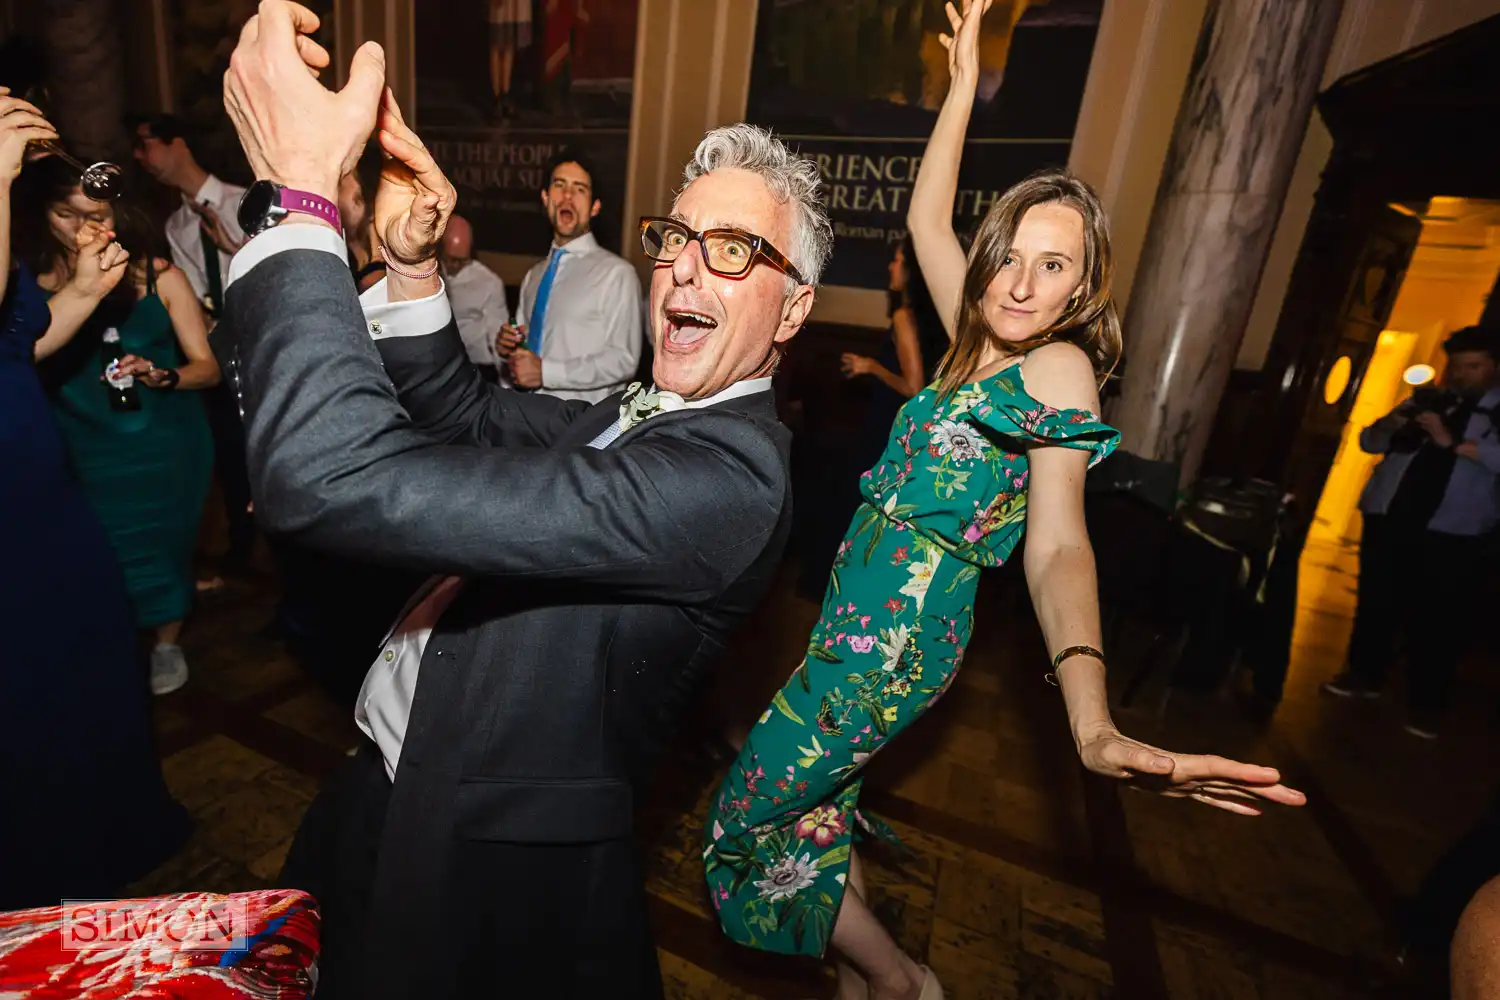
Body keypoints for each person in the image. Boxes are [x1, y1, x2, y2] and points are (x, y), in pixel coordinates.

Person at [701, 5, 1306, 999]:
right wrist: (963, 78)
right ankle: (864, 986)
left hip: (896, 639)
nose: (1021, 282)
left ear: (1080, 291)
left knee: (747, 811)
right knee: (817, 806)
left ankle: (901, 981)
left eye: (1053, 265)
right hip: (849, 623)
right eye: (1011, 255)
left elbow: (1061, 546)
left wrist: (1093, 718)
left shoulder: (1060, 370)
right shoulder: (972, 344)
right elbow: (927, 220)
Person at [218, 5, 820, 996]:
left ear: (792, 308)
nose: (682, 265)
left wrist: (300, 206)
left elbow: (327, 470)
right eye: (676, 237)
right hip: (386, 776)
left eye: (735, 251)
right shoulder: (648, 406)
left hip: (482, 853)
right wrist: (412, 268)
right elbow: (464, 410)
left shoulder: (732, 477)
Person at [0, 89, 190, 908]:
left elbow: (16, 344)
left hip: (49, 498)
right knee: (27, 683)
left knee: (93, 655)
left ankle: (109, 831)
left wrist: (81, 292)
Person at [19, 154, 219, 696]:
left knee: (164, 546)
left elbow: (208, 368)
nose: (89, 228)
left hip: (166, 446)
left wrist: (164, 375)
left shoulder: (159, 275)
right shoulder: (25, 296)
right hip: (79, 446)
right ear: (41, 215)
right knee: (94, 556)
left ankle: (167, 644)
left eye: (99, 214)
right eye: (69, 214)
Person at [1322, 324, 1500, 737]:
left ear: (1494, 367)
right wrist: (1396, 425)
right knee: (1376, 600)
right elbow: (1369, 440)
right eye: (1455, 365)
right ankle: (1363, 675)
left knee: (1439, 620)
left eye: (1472, 366)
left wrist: (1451, 442)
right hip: (1391, 515)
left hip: (1453, 529)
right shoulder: (1429, 397)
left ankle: (1426, 704)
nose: (1459, 374)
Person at [132, 113, 257, 580]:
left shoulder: (243, 200)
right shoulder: (177, 225)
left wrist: (231, 245)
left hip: (263, 349)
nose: (140, 157)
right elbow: (197, 298)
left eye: (145, 144)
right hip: (219, 355)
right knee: (230, 455)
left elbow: (274, 274)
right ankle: (240, 553)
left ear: (178, 142)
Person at [797, 236, 949, 598]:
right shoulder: (927, 321)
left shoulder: (902, 317)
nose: (890, 268)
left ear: (912, 273)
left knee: (849, 507)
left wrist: (871, 367)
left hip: (887, 428)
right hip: (895, 428)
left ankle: (834, 591)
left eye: (897, 261)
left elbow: (915, 388)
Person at [496, 147, 642, 402]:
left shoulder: (617, 274)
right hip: (527, 414)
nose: (567, 195)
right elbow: (524, 344)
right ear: (545, 197)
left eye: (580, 189)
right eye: (559, 185)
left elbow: (624, 360)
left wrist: (546, 372)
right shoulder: (533, 275)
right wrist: (508, 349)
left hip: (581, 426)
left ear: (595, 207)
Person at [440, 213, 509, 374]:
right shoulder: (427, 270)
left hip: (476, 367)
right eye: (450, 259)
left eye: (462, 260)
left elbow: (497, 335)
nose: (456, 265)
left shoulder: (489, 283)